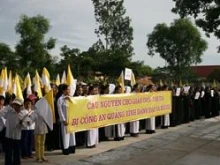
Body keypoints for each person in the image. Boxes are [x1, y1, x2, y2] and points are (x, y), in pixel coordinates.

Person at [0, 98, 25, 165]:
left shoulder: (23, 114)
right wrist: (8, 106)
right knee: (8, 153)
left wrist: (22, 123)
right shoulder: (9, 112)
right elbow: (1, 113)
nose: (16, 107)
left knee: (17, 153)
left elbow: (26, 125)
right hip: (9, 135)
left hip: (17, 136)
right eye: (15, 105)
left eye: (18, 105)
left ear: (21, 106)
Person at [57, 84, 76, 155]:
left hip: (71, 120)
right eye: (68, 89)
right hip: (65, 120)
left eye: (69, 89)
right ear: (64, 90)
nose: (69, 90)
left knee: (72, 135)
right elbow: (60, 110)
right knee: (65, 135)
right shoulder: (60, 99)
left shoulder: (70, 98)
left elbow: (76, 105)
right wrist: (63, 119)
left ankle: (72, 148)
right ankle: (65, 149)